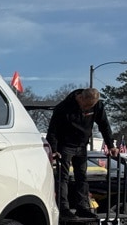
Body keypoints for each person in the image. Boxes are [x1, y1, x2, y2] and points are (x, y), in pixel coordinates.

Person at [46, 87, 118, 218]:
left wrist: (110, 145)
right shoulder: (63, 107)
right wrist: (54, 150)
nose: (87, 109)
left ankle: (82, 207)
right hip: (65, 146)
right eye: (85, 106)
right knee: (63, 178)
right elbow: (53, 130)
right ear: (80, 98)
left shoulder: (97, 106)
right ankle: (63, 208)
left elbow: (104, 125)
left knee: (82, 177)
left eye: (90, 107)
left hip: (82, 146)